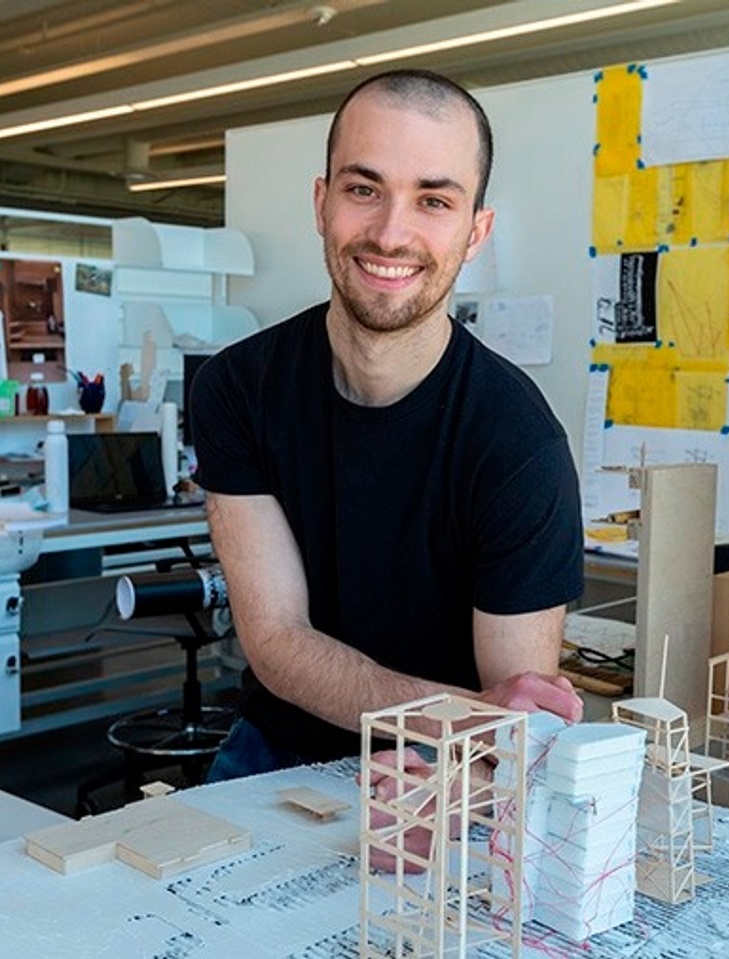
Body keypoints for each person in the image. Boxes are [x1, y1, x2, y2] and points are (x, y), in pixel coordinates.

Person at [191, 69, 585, 784]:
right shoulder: (238, 387)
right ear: (321, 201)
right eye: (363, 189)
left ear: (476, 232)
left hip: (446, 768)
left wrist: (461, 728)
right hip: (273, 751)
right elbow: (277, 641)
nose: (390, 233)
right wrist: (466, 711)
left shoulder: (518, 444)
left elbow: (515, 721)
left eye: (434, 199)